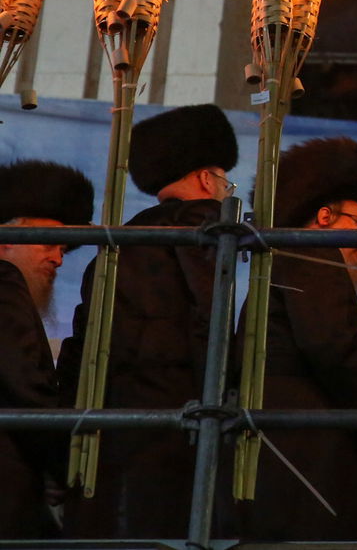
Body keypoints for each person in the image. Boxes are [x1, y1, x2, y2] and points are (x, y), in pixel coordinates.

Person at [58, 103, 239, 538]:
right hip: (179, 422)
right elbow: (208, 323)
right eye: (224, 180)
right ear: (204, 178)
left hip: (113, 425)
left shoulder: (119, 241)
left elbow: (82, 340)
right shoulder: (205, 230)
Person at [236, 137, 357, 540]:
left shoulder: (278, 263)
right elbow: (334, 349)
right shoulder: (312, 257)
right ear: (323, 216)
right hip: (307, 448)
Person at [0, 160, 92, 537]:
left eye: (63, 251)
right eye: (47, 244)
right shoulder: (5, 287)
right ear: (7, 238)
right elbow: (23, 387)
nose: (57, 258)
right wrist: (62, 465)